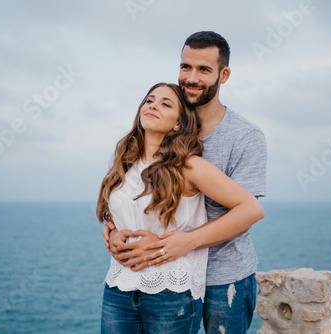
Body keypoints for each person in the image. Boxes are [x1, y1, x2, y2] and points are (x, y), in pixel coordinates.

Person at [104, 32, 267, 334]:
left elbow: (248, 213)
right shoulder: (163, 125)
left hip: (223, 274)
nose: (191, 78)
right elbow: (136, 191)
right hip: (162, 273)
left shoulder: (245, 137)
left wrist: (185, 242)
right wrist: (114, 226)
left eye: (204, 69)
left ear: (224, 74)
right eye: (185, 67)